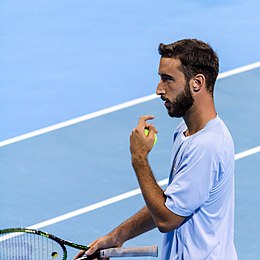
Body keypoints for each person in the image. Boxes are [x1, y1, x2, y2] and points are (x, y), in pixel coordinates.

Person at [74, 39, 238, 260]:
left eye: (167, 79)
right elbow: (173, 203)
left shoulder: (207, 146)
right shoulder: (185, 132)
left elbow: (167, 218)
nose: (159, 89)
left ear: (197, 82)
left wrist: (139, 158)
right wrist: (117, 236)